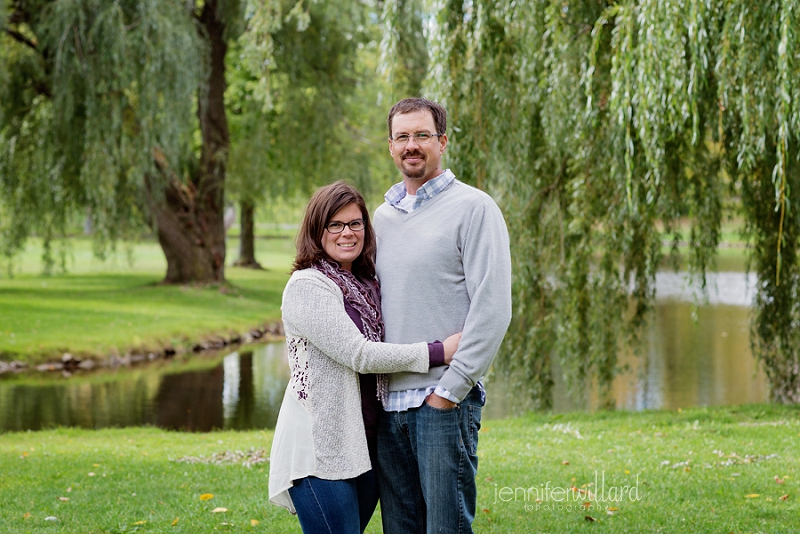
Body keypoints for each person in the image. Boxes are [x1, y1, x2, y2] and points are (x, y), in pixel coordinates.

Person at [268, 181, 461, 534]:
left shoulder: (365, 285)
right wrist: (439, 351)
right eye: (335, 225)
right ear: (317, 230)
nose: (347, 233)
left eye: (355, 223)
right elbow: (359, 353)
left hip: (365, 446)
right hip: (321, 451)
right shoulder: (307, 286)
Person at [374, 97, 513, 533]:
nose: (411, 145)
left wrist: (449, 392)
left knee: (446, 528)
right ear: (391, 146)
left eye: (421, 135)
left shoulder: (474, 208)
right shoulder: (381, 218)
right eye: (402, 137)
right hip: (387, 407)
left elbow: (492, 308)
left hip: (442, 402)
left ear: (443, 141)